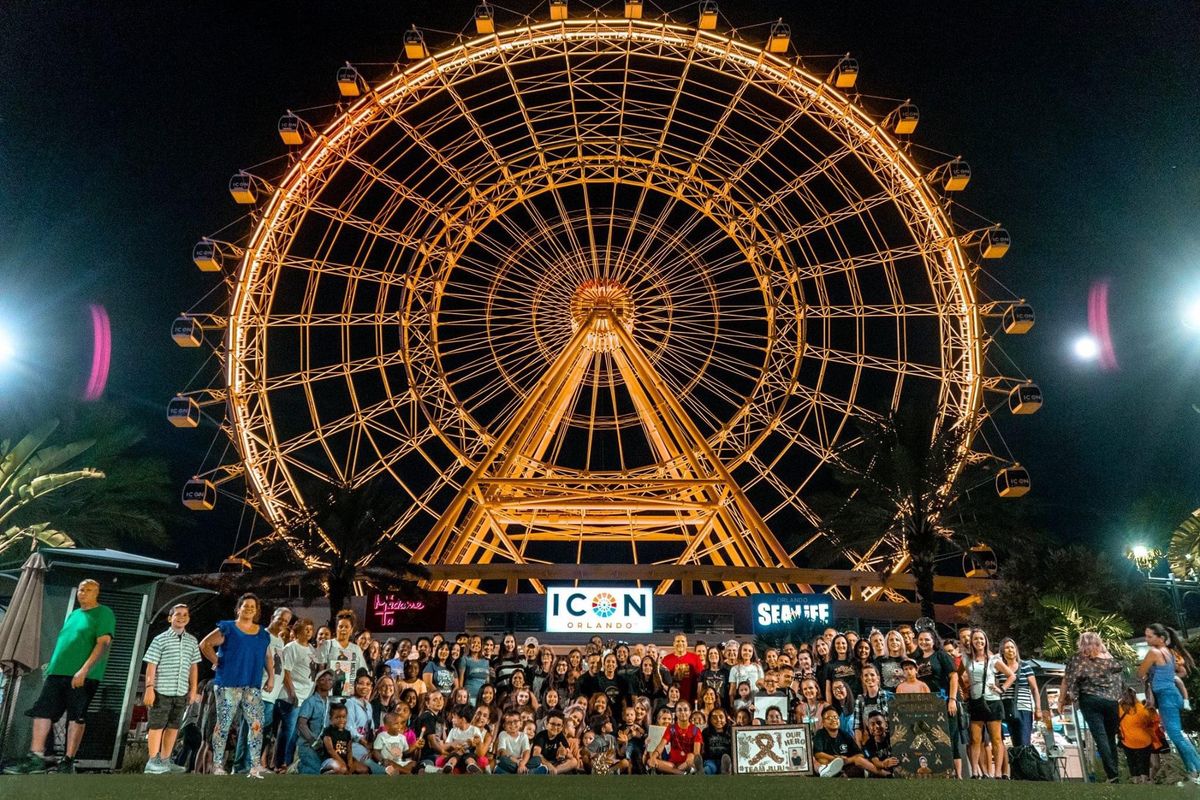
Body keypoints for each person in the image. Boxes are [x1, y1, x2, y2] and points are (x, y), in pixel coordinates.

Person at [6, 579, 115, 775]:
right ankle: (36, 757)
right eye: (81, 589)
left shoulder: (103, 613)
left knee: (76, 716)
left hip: (82, 676)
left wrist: (84, 670)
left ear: (97, 593)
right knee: (43, 711)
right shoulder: (74, 614)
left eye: (89, 590)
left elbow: (103, 644)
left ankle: (68, 760)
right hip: (57, 672)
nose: (83, 593)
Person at [199, 593, 273, 778]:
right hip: (228, 684)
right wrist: (218, 661)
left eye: (252, 607)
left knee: (256, 724)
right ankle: (217, 765)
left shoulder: (263, 634)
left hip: (252, 684)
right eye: (245, 606)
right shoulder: (228, 628)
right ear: (238, 608)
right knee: (223, 724)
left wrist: (271, 676)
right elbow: (205, 644)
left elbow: (267, 656)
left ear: (256, 611)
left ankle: (255, 765)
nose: (248, 609)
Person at [141, 603, 201, 774]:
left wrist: (193, 688)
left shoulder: (192, 641)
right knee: (157, 725)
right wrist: (149, 687)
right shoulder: (160, 639)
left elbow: (193, 666)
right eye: (178, 614)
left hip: (180, 690)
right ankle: (152, 760)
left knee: (174, 726)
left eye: (185, 615)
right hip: (161, 690)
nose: (181, 617)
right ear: (170, 618)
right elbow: (151, 664)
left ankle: (166, 760)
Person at [1138, 623, 1200, 784]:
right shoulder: (1170, 653)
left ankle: (1198, 769)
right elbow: (1182, 672)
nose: (1146, 639)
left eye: (1149, 636)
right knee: (1177, 736)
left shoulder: (1154, 652)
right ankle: (1192, 772)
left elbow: (1140, 672)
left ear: (1161, 638)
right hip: (1172, 695)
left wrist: (1152, 672)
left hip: (1167, 697)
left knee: (1177, 736)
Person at [1062, 630, 1125, 783]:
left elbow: (1067, 679)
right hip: (1110, 701)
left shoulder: (1077, 659)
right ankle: (1114, 773)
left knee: (1101, 737)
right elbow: (1118, 668)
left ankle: (1112, 775)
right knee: (1110, 737)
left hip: (1090, 700)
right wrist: (1103, 649)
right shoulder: (1107, 658)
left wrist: (1061, 699)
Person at [235, 605, 290, 773]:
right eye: (280, 617)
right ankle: (241, 766)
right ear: (273, 616)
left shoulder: (280, 641)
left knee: (259, 731)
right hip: (258, 690)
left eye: (286, 620)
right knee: (250, 729)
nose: (282, 622)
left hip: (271, 696)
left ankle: (252, 763)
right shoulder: (260, 635)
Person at [960, 627, 1014, 779]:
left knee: (996, 739)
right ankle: (975, 771)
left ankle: (997, 772)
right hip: (975, 701)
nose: (979, 641)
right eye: (976, 638)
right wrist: (965, 689)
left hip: (992, 701)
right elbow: (957, 675)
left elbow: (1011, 676)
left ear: (986, 641)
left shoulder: (993, 659)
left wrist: (1001, 688)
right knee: (975, 739)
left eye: (981, 639)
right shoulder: (966, 659)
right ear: (971, 641)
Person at [277, 616, 317, 770]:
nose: (309, 632)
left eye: (311, 629)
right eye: (305, 629)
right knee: (287, 731)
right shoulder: (291, 647)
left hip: (305, 697)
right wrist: (292, 693)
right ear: (298, 631)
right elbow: (286, 671)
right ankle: (281, 762)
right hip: (291, 697)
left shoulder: (311, 649)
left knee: (295, 733)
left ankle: (289, 762)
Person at [812, 706, 884, 777]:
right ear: (823, 723)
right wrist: (836, 760)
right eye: (829, 718)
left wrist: (847, 760)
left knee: (859, 764)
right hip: (829, 766)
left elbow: (860, 754)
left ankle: (842, 777)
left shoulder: (845, 734)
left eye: (835, 717)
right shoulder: (820, 734)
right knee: (822, 760)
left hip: (846, 766)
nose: (833, 720)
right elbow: (818, 754)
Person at [999, 637, 1041, 747]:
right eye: (1007, 648)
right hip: (1007, 708)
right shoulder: (999, 669)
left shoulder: (1025, 667)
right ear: (1002, 651)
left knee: (1024, 741)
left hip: (1024, 708)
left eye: (1012, 647)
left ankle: (1025, 762)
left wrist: (1038, 709)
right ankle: (1018, 763)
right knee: (1014, 740)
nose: (1010, 650)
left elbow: (1034, 689)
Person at [316, 611, 367, 698]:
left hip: (350, 695)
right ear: (336, 628)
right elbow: (321, 670)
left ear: (351, 630)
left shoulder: (356, 649)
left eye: (346, 627)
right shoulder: (328, 644)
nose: (343, 629)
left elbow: (362, 672)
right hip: (330, 694)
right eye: (340, 626)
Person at [296, 669, 336, 774]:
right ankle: (298, 767)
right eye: (323, 679)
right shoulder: (310, 701)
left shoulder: (331, 702)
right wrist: (313, 741)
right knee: (316, 772)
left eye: (330, 679)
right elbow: (301, 724)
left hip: (324, 746)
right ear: (317, 682)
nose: (327, 682)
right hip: (308, 746)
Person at [1118, 687, 1156, 784]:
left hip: (1127, 741)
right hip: (1143, 740)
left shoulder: (1119, 708)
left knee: (1132, 761)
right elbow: (1149, 721)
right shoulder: (1141, 708)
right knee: (1144, 761)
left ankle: (1135, 780)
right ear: (1135, 695)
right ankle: (1144, 780)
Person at [321, 704, 368, 774]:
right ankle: (327, 773)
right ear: (331, 719)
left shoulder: (347, 733)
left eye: (344, 717)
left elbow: (349, 750)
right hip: (331, 760)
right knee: (342, 768)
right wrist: (343, 763)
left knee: (364, 769)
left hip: (344, 760)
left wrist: (350, 763)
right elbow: (330, 750)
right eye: (337, 718)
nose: (341, 720)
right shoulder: (328, 731)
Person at [441, 703, 486, 773]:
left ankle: (472, 766)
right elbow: (444, 747)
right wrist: (452, 744)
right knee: (454, 757)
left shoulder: (474, 730)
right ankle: (449, 766)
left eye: (454, 717)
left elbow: (480, 751)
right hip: (457, 754)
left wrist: (477, 742)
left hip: (469, 754)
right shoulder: (453, 731)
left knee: (470, 757)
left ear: (463, 720)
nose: (452, 720)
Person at [531, 709, 579, 774]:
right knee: (537, 760)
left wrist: (565, 752)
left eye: (558, 725)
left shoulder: (561, 736)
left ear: (562, 727)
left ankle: (552, 772)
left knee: (574, 761)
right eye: (553, 724)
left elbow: (570, 756)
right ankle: (549, 771)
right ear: (546, 724)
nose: (555, 727)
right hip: (543, 763)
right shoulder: (541, 735)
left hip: (555, 765)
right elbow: (536, 754)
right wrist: (549, 765)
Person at [372, 707, 417, 774]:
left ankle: (401, 771)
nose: (400, 726)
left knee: (414, 763)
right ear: (387, 726)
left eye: (401, 723)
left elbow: (406, 751)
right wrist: (381, 760)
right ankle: (407, 772)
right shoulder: (382, 736)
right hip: (388, 762)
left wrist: (415, 745)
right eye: (396, 724)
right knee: (389, 762)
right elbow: (376, 751)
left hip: (399, 762)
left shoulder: (402, 737)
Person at [662, 634, 703, 703]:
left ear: (687, 644)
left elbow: (701, 678)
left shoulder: (695, 658)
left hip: (691, 699)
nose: (680, 643)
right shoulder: (666, 659)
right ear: (673, 644)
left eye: (682, 641)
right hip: (672, 700)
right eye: (678, 641)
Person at [861, 710, 898, 777]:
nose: (877, 726)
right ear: (869, 728)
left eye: (879, 723)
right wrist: (884, 764)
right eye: (872, 724)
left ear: (886, 725)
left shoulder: (893, 736)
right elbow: (876, 762)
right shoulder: (868, 744)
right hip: (881, 773)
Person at [701, 706, 733, 774]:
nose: (718, 720)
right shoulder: (705, 732)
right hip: (710, 760)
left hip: (726, 760)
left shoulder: (731, 731)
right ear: (710, 720)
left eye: (721, 717)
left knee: (727, 766)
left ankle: (725, 772)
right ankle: (701, 772)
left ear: (726, 718)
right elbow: (703, 749)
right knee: (709, 768)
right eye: (714, 717)